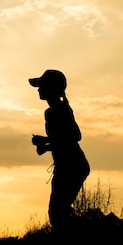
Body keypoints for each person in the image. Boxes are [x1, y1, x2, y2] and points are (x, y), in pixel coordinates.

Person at [29, 69, 90, 230]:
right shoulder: (56, 110)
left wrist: (46, 143)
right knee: (59, 211)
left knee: (58, 212)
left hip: (72, 166)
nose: (38, 90)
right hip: (70, 166)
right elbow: (64, 139)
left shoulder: (58, 111)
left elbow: (75, 136)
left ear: (51, 88)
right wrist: (46, 143)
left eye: (42, 86)